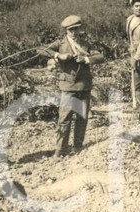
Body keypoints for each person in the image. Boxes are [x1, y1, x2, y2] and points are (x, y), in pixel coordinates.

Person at [42, 15, 105, 156]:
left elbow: (100, 57)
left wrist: (86, 59)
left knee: (82, 118)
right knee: (64, 119)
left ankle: (78, 146)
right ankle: (61, 149)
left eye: (76, 29)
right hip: (68, 86)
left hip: (83, 84)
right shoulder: (60, 43)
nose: (74, 33)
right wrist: (58, 55)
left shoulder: (85, 44)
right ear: (66, 31)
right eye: (71, 30)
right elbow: (41, 50)